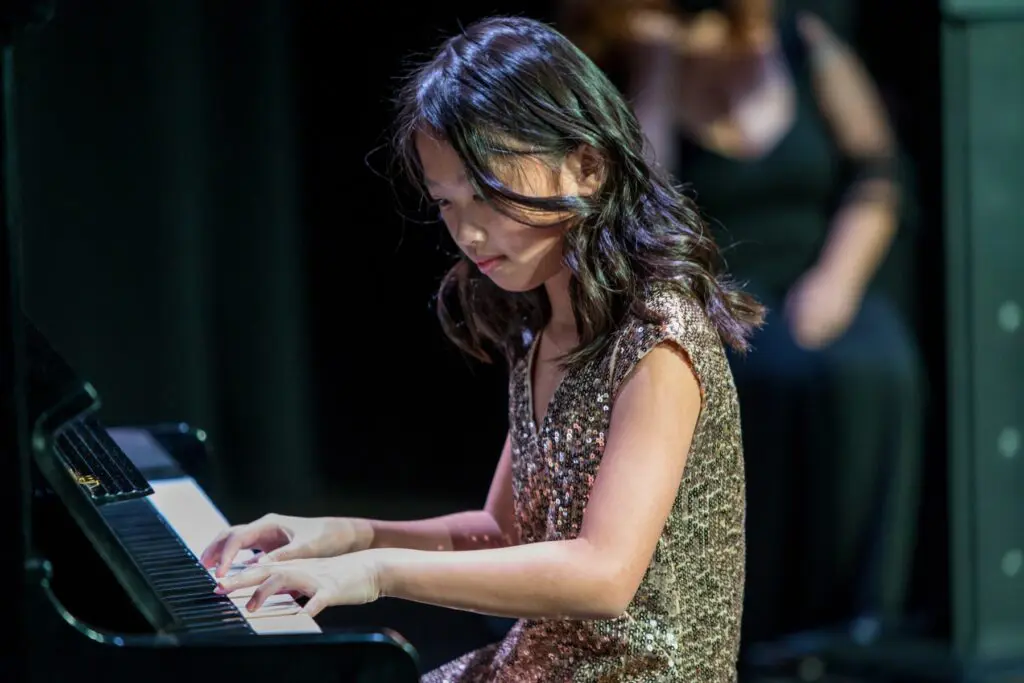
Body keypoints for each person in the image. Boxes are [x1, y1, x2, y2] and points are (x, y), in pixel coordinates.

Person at [200, 15, 764, 682]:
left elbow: (604, 574)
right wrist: (345, 533)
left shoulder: (657, 337)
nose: (467, 231)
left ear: (586, 164)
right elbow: (501, 531)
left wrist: (376, 571)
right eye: (446, 202)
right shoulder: (544, 325)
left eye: (487, 193)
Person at [584, 0, 924, 651]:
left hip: (819, 273)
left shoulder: (803, 39)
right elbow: (643, 206)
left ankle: (862, 620)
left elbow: (876, 173)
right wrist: (657, 70)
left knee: (879, 366)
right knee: (762, 374)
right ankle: (759, 627)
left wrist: (838, 280)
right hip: (716, 284)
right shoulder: (643, 50)